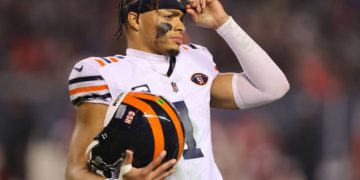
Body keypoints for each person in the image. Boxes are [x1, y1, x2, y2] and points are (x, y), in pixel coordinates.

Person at [65, 0, 290, 179]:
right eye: (168, 16)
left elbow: (272, 87)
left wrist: (224, 23)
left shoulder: (195, 60)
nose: (180, 25)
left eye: (180, 17)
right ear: (135, 19)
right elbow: (76, 172)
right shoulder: (103, 72)